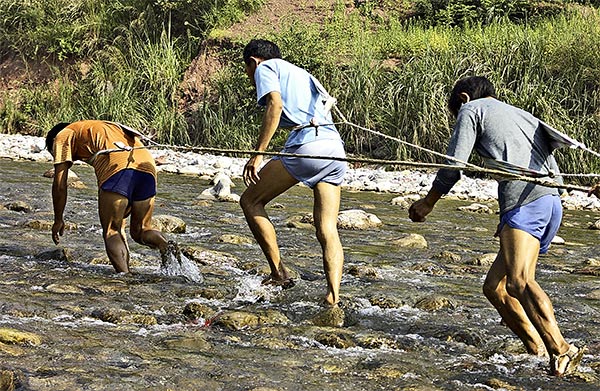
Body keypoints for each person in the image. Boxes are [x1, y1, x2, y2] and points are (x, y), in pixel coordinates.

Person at [408, 76, 584, 376]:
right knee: (495, 287)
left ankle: (562, 349)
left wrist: (428, 202)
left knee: (519, 281)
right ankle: (536, 348)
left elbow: (454, 165)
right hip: (550, 203)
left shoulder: (471, 110)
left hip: (526, 202)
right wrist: (507, 222)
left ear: (463, 97)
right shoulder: (519, 113)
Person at [239, 39, 347, 309]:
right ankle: (333, 296)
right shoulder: (302, 73)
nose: (249, 77)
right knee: (327, 228)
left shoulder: (266, 68)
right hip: (335, 150)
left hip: (306, 148)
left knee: (250, 201)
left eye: (247, 70)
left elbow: (274, 105)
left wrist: (258, 154)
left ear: (253, 61)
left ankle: (278, 273)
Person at [46, 120, 178, 274]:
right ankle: (166, 246)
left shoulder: (63, 135)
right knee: (141, 230)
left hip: (118, 168)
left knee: (111, 231)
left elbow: (60, 185)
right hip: (147, 166)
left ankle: (125, 277)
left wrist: (58, 219)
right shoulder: (98, 128)